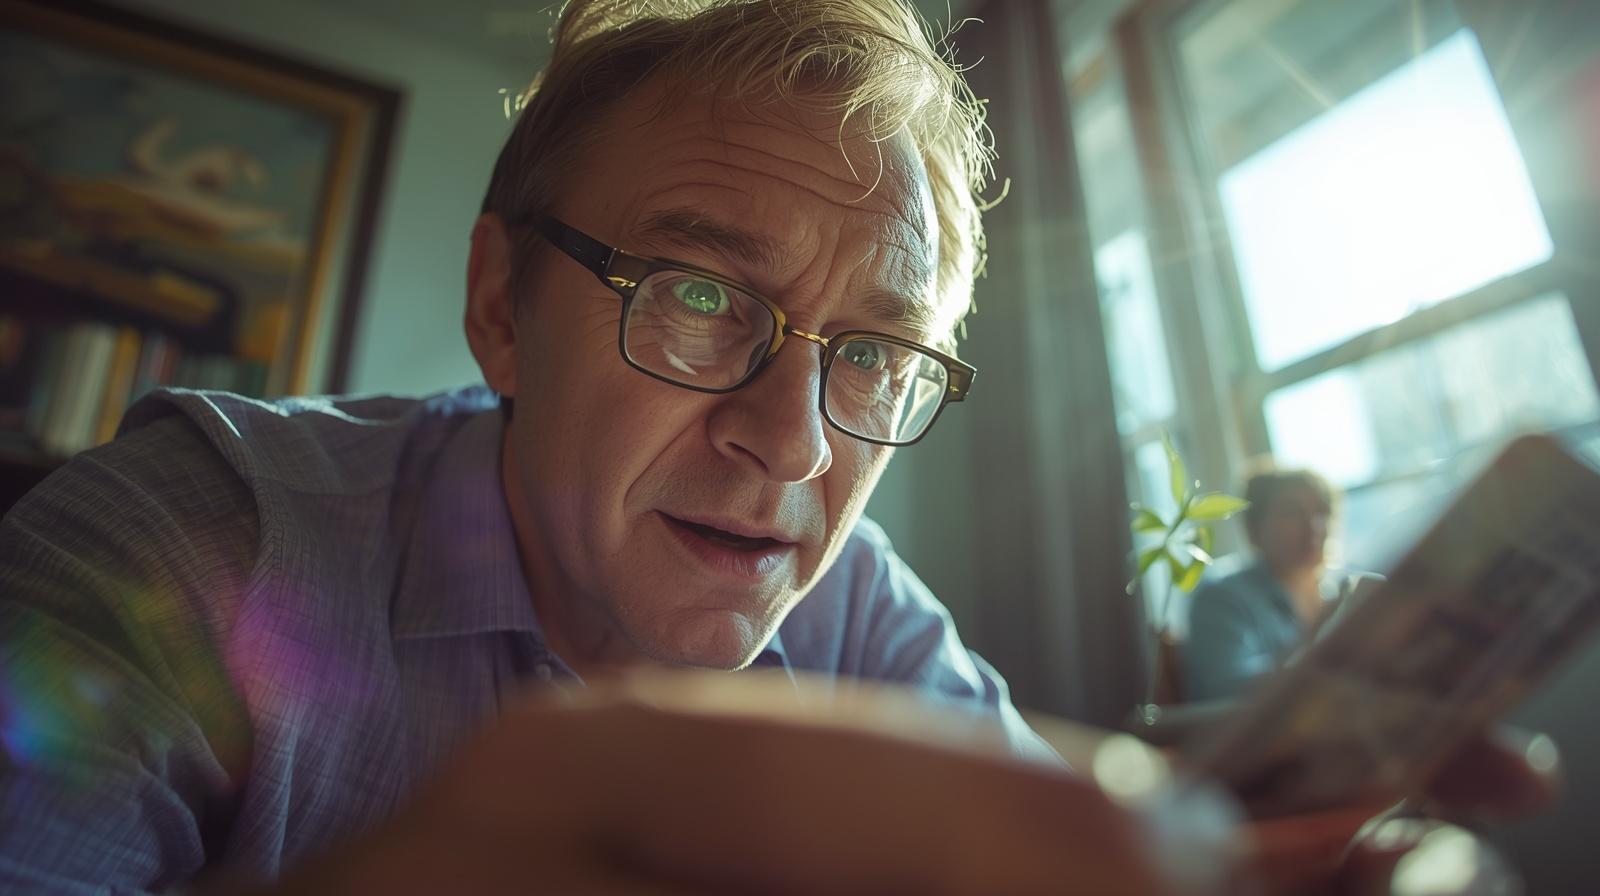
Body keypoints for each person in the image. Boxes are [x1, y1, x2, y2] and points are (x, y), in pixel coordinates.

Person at [0, 1, 1558, 893]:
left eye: (874, 355)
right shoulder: (184, 543)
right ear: (499, 305)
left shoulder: (862, 608)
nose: (791, 441)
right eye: (696, 297)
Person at [1183, 466, 1347, 702]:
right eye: (1293, 513)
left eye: (1323, 511)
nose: (1314, 526)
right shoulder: (1221, 597)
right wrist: (1317, 641)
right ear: (1254, 528)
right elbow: (1226, 687)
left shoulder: (1337, 592)